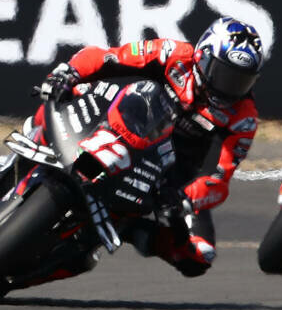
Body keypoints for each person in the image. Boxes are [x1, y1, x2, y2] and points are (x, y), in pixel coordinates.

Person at [23, 17, 264, 279]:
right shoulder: (173, 54)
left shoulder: (244, 117)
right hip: (123, 123)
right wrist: (68, 73)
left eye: (241, 80)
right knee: (69, 94)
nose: (229, 87)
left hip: (169, 178)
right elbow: (110, 57)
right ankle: (35, 142)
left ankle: (125, 230)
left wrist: (185, 198)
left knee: (198, 258)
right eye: (225, 74)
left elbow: (219, 179)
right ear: (204, 56)